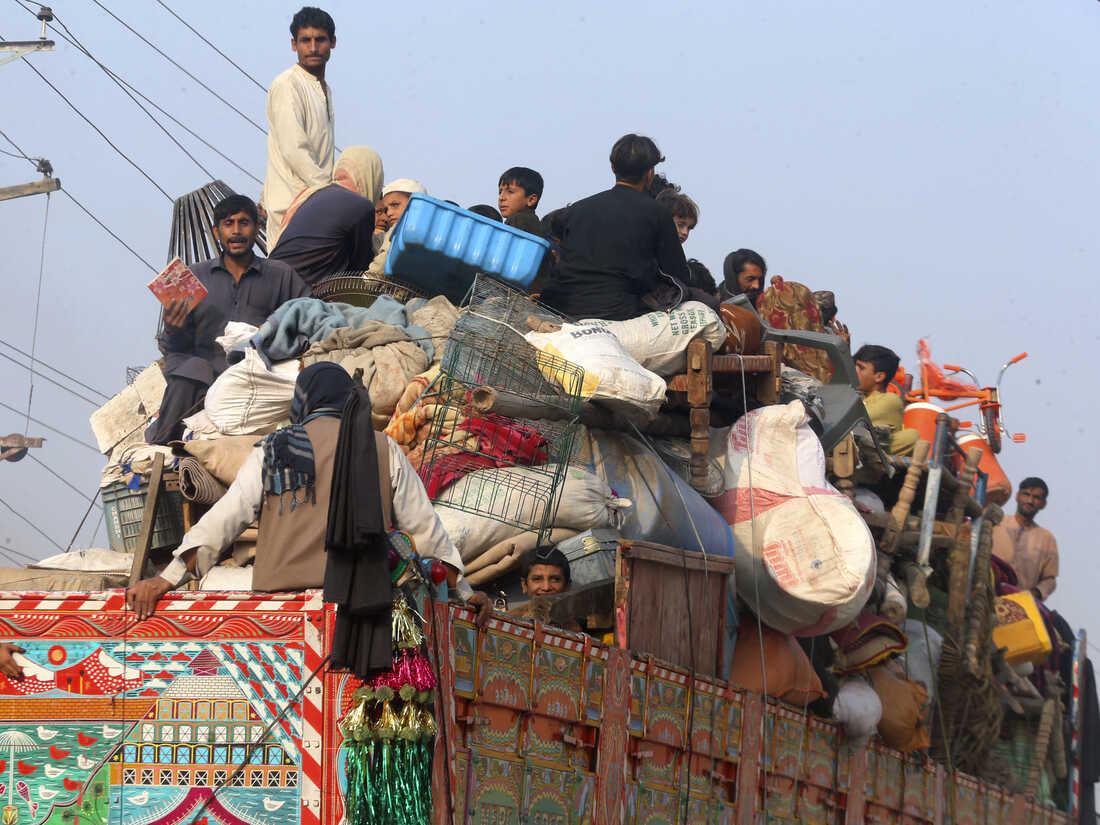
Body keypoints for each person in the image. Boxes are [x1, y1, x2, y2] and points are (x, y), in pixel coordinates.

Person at [129, 364, 491, 625]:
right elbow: (425, 530)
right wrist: (465, 592)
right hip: (360, 613)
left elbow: (227, 517)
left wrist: (168, 577)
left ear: (302, 401)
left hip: (280, 617)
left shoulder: (273, 449)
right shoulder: (383, 449)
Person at [146, 195, 310, 445]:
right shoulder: (192, 277)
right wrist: (173, 327)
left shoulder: (280, 275)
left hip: (256, 374)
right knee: (187, 372)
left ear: (256, 228)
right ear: (216, 231)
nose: (236, 231)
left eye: (244, 223)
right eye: (228, 223)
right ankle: (161, 445)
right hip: (202, 376)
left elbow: (308, 317)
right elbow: (173, 348)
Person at [540, 134, 690, 321]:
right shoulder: (657, 213)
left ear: (612, 167)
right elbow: (678, 275)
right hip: (620, 312)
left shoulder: (577, 209)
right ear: (650, 173)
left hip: (566, 307)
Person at [263, 7, 337, 246]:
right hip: (292, 207)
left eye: (320, 40)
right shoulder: (288, 84)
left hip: (315, 205)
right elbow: (295, 150)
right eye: (306, 40)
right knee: (289, 279)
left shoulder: (323, 89)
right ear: (294, 45)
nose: (313, 48)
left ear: (332, 43)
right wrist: (329, 194)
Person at [268, 146, 385, 285]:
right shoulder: (361, 207)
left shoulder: (312, 195)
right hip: (300, 293)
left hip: (269, 280)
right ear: (372, 177)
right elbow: (359, 273)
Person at [992, 478, 1058, 601]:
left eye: (1036, 497)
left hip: (1020, 604)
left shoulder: (1047, 539)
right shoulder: (995, 522)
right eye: (1026, 494)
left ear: (1043, 504)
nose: (1030, 501)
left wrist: (1036, 593)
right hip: (985, 594)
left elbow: (1050, 580)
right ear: (1017, 496)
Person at [853, 344, 919, 456]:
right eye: (854, 365)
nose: (854, 370)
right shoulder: (855, 396)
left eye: (861, 368)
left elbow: (857, 418)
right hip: (849, 445)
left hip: (865, 450)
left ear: (879, 377)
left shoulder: (890, 400)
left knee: (912, 436)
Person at [367, 179, 428, 275]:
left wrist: (367, 280)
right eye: (387, 209)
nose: (389, 213)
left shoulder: (398, 229)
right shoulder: (429, 231)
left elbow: (383, 261)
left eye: (395, 205)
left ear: (416, 203)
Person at [497, 166, 545, 236]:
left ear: (531, 200)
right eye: (500, 192)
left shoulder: (518, 219)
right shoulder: (534, 222)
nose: (501, 198)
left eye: (510, 191)